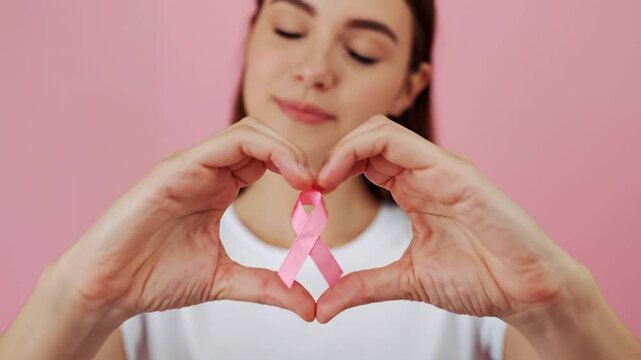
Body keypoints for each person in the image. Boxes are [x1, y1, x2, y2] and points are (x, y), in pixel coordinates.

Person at [1, 0, 640, 359]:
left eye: (361, 50)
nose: (314, 68)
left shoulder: (473, 278)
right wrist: (77, 297)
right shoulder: (146, 279)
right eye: (289, 28)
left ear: (411, 83)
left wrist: (558, 298)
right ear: (250, 36)